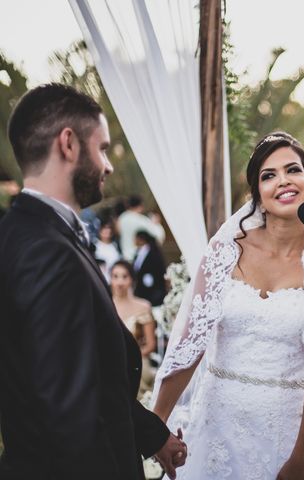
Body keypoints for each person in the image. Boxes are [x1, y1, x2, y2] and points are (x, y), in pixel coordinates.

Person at [151, 131, 304, 479]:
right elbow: (191, 343)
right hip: (216, 427)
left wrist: (301, 458)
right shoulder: (225, 251)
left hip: (288, 437)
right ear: (257, 194)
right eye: (268, 175)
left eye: (293, 170)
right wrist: (155, 425)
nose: (283, 181)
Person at [0, 83, 186, 479]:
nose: (109, 165)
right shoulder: (45, 251)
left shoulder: (36, 234)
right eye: (102, 148)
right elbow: (66, 414)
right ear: (68, 144)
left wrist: (152, 436)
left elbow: (93, 376)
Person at [112, 260, 158, 395]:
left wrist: (129, 359)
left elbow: (150, 345)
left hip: (137, 362)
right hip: (111, 362)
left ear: (131, 279)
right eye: (115, 276)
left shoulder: (143, 306)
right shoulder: (105, 306)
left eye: (124, 277)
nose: (120, 282)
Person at [118, 194, 165, 261]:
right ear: (141, 206)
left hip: (125, 256)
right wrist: (156, 224)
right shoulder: (141, 220)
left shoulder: (122, 218)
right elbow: (158, 236)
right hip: (138, 258)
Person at [133, 229, 167, 306]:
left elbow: (158, 268)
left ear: (141, 239)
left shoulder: (153, 251)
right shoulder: (138, 252)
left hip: (153, 286)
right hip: (141, 285)